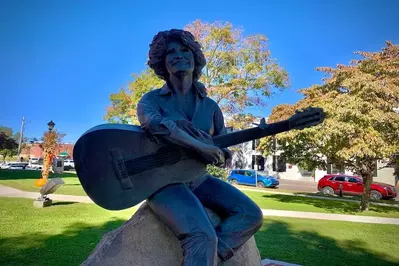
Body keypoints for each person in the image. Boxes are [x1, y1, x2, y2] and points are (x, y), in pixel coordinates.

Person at [136, 29, 263, 266]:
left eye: (185, 50)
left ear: (195, 58)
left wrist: (221, 154)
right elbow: (158, 125)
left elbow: (223, 147)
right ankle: (204, 249)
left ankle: (210, 258)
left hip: (198, 179)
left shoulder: (211, 107)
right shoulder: (150, 100)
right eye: (170, 52)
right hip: (163, 183)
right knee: (202, 235)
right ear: (162, 63)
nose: (178, 55)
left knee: (251, 214)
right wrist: (199, 146)